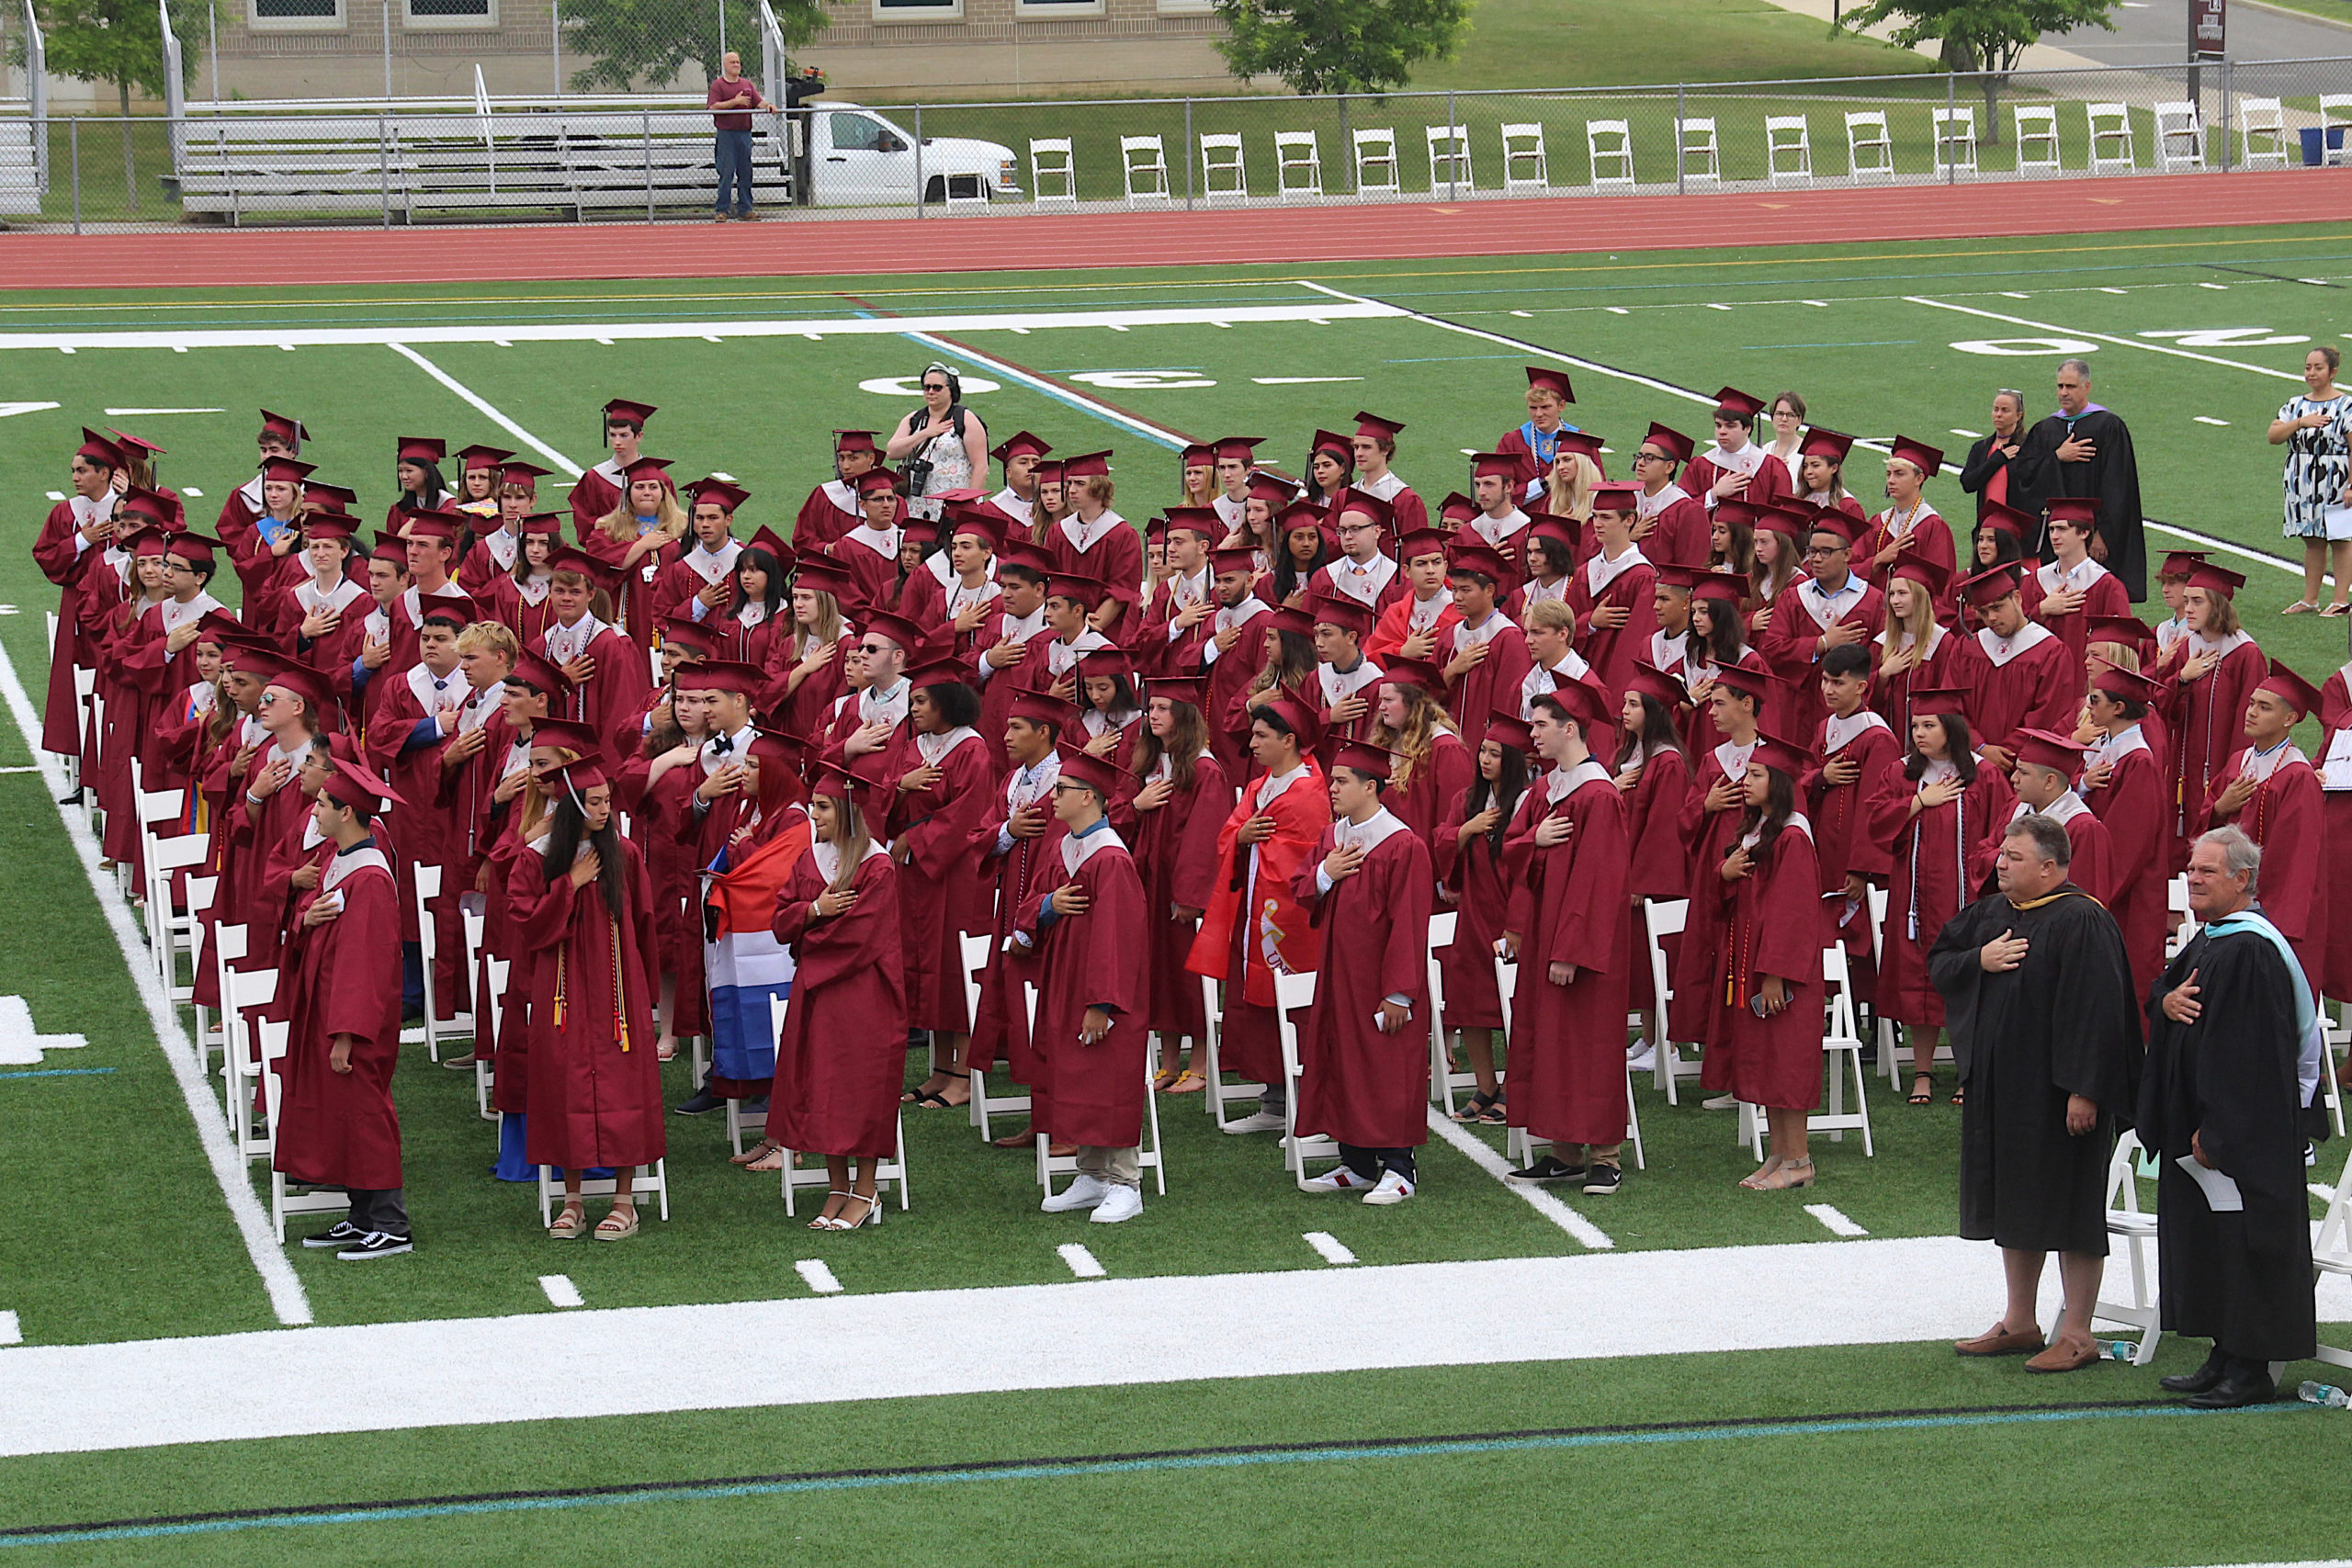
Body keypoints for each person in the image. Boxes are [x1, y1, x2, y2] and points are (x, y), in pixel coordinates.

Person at [1928, 813, 2142, 1374]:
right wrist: (1980, 959)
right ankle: (2020, 1320)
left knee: (2071, 1205)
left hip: (2060, 1096)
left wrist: (2086, 1090)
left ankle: (2076, 1331)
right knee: (2013, 1200)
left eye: (2014, 858)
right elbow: (1941, 962)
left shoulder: (2082, 920)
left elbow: (2097, 1012)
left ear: (2050, 867)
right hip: (2002, 1089)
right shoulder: (1994, 914)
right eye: (2002, 854)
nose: (2000, 863)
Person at [2139, 826, 2322, 1406]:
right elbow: (2164, 990)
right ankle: (2226, 1350)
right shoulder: (2218, 936)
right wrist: (2165, 1003)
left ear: (2242, 880)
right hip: (2215, 1130)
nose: (2192, 878)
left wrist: (2219, 1130)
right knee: (2217, 1241)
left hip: (2247, 1133)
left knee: (2248, 1241)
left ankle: (2251, 1368)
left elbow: (2248, 1057)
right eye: (2191, 869)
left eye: (2206, 871)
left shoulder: (2248, 948)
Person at [514, 754, 663, 1241]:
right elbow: (526, 925)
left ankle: (625, 1200)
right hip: (562, 993)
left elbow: (643, 926)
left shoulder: (623, 853)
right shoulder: (536, 857)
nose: (604, 810)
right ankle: (571, 1200)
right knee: (565, 1087)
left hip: (618, 991)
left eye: (606, 801)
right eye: (594, 802)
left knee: (624, 1088)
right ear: (573, 807)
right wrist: (570, 885)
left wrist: (648, 1001)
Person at [273, 757, 411, 1261]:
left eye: (322, 804)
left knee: (366, 1114)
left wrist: (347, 1033)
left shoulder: (369, 878)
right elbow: (314, 926)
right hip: (326, 1008)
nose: (314, 811)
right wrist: (306, 922)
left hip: (353, 1020)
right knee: (343, 1115)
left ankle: (392, 1225)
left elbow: (364, 963)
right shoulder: (339, 859)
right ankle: (362, 1216)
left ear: (346, 811)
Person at [1500, 682, 1634, 1195]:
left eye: (1539, 725)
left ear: (1569, 728)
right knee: (1551, 1041)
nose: (1531, 734)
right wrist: (1533, 839)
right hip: (1544, 934)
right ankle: (1562, 1152)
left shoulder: (1598, 796)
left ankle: (1604, 1156)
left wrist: (1570, 952)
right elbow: (1511, 848)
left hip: (1580, 946)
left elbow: (1598, 881)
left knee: (1589, 1044)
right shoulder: (1547, 790)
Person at [1291, 742, 1435, 1204]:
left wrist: (1399, 993)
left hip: (1381, 981)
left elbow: (1410, 923)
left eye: (1341, 781)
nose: (1330, 788)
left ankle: (1399, 1168)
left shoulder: (1402, 845)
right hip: (1339, 976)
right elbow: (1301, 887)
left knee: (1386, 1068)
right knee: (1345, 1063)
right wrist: (1325, 873)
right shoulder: (1335, 838)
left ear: (1370, 787)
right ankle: (1355, 1164)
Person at [769, 761, 906, 1232]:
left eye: (823, 807)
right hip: (818, 995)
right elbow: (781, 918)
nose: (815, 815)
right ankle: (836, 1188)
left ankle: (866, 1192)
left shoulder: (877, 866)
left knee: (861, 1091)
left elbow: (862, 938)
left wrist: (807, 937)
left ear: (848, 811)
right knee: (821, 1087)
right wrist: (814, 909)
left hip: (865, 994)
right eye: (813, 806)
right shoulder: (812, 861)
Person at [1187, 694, 1330, 1135]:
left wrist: (1248, 838)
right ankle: (1273, 1100)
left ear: (1289, 741)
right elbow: (1231, 831)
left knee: (1293, 1010)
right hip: (1253, 912)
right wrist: (1244, 837)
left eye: (1261, 736)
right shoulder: (1259, 785)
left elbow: (1298, 858)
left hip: (1289, 922)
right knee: (1260, 1008)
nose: (1251, 744)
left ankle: (1306, 1103)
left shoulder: (1307, 792)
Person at [1019, 748, 1151, 1224]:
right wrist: (1050, 904)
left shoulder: (1110, 859)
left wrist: (1102, 1003)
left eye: (1061, 791)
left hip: (1101, 992)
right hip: (1065, 979)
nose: (1052, 799)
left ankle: (1125, 1183)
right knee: (1077, 1077)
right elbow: (1036, 903)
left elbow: (1117, 938)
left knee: (1107, 1078)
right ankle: (1092, 1175)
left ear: (1089, 797)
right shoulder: (1066, 847)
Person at [1869, 692, 2016, 1106]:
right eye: (1915, 726)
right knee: (1920, 979)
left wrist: (1982, 871)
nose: (1919, 733)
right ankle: (1922, 1072)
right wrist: (1918, 802)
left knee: (1971, 979)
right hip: (1914, 901)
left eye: (1929, 725)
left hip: (1966, 898)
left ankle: (1968, 1071)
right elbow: (1876, 822)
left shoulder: (1983, 775)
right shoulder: (1901, 774)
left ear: (1951, 727)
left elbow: (2003, 830)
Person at [1717, 733, 1826, 1190]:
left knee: (1786, 1064)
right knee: (1766, 1062)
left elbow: (1793, 912)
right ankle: (1779, 1154)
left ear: (1779, 782)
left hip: (1783, 976)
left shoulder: (1794, 838)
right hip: (1755, 969)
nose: (1746, 780)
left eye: (1757, 774)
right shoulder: (1760, 832)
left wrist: (1776, 975)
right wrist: (1723, 874)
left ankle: (1799, 1160)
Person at [2199, 660, 2325, 993]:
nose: (2251, 712)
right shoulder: (2240, 762)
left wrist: (2269, 921)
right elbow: (2207, 823)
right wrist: (2220, 807)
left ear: (2289, 719)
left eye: (2264, 707)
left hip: (2267, 912)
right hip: (2231, 901)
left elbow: (2294, 859)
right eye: (2252, 703)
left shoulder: (2297, 777)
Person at [1442, 713, 1532, 1122]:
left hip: (1511, 915)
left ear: (1512, 760)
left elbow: (1528, 867)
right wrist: (1467, 829)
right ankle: (1485, 1086)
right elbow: (1441, 840)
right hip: (1473, 915)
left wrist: (1517, 925)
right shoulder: (1466, 801)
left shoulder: (1529, 801)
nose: (1485, 759)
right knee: (1468, 1003)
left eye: (1496, 753)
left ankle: (1514, 1087)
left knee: (1516, 1005)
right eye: (1483, 751)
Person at [2152, 562, 2264, 870]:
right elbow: (2164, 713)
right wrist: (2181, 680)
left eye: (2197, 601)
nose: (2187, 609)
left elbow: (2250, 723)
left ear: (2219, 605)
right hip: (2183, 770)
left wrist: (2232, 774)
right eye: (2186, 601)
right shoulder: (2187, 649)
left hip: (2222, 767)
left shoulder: (2245, 654)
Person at [2011, 359, 2147, 602]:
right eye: (2060, 386)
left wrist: (2102, 532)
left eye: (2071, 386)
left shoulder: (2108, 426)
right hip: (2056, 537)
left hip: (2096, 539)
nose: (2064, 392)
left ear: (2087, 387)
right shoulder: (2046, 429)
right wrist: (2056, 458)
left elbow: (2118, 486)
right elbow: (2024, 476)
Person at [1959, 564, 2075, 772]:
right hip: (1971, 763)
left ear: (2018, 599)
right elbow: (1952, 705)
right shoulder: (1967, 648)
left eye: (1997, 607)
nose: (1991, 618)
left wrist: (2004, 755)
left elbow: (2048, 715)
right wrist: (1979, 747)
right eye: (1983, 612)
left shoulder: (2050, 651)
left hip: (2024, 769)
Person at [2271, 345, 2352, 615]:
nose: (2311, 373)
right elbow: (2274, 435)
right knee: (2312, 538)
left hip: (2335, 476)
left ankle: (2341, 600)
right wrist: (2300, 423)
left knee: (2340, 539)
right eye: (2308, 367)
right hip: (2302, 478)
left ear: (2333, 372)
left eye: (2318, 368)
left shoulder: (2346, 405)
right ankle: (2310, 599)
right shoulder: (2296, 405)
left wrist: (2351, 485)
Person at [886, 362, 989, 524]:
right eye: (926, 387)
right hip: (916, 504)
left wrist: (971, 505)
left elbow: (981, 466)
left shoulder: (965, 418)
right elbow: (892, 452)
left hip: (954, 504)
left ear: (951, 390)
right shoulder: (915, 419)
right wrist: (926, 433)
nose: (931, 392)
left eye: (937, 387)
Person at [707, 51, 775, 220]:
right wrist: (734, 102)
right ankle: (722, 209)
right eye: (732, 62)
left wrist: (768, 106)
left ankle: (745, 208)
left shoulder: (747, 84)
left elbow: (758, 102)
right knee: (727, 172)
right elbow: (713, 107)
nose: (736, 64)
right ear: (725, 65)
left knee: (745, 172)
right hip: (727, 134)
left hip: (744, 133)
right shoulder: (718, 85)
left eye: (738, 62)